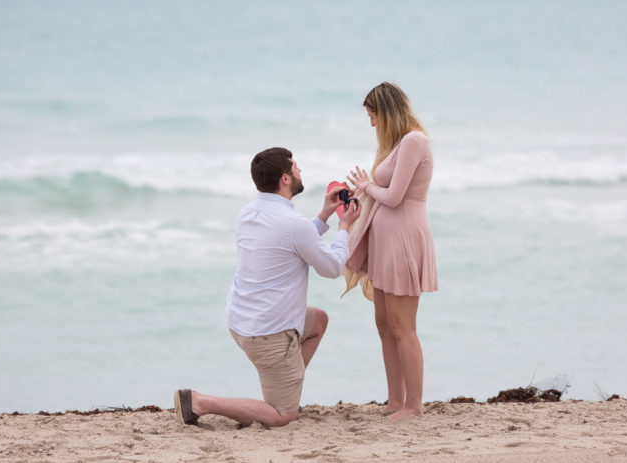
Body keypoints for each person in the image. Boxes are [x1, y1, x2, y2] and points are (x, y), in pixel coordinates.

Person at [174, 147, 361, 427]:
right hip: (269, 334)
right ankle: (200, 402)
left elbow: (288, 242)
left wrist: (323, 215)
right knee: (282, 416)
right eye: (296, 167)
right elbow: (332, 268)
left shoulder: (248, 213)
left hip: (240, 321)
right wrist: (345, 226)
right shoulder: (294, 224)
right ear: (285, 179)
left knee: (318, 320)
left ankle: (286, 384)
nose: (300, 171)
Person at [345, 82, 438, 420]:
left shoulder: (414, 141)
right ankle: (395, 399)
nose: (371, 123)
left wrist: (367, 185)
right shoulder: (398, 143)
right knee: (384, 323)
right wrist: (366, 187)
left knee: (403, 326)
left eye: (372, 116)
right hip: (385, 241)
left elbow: (395, 196)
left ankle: (414, 405)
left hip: (403, 239)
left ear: (386, 112)